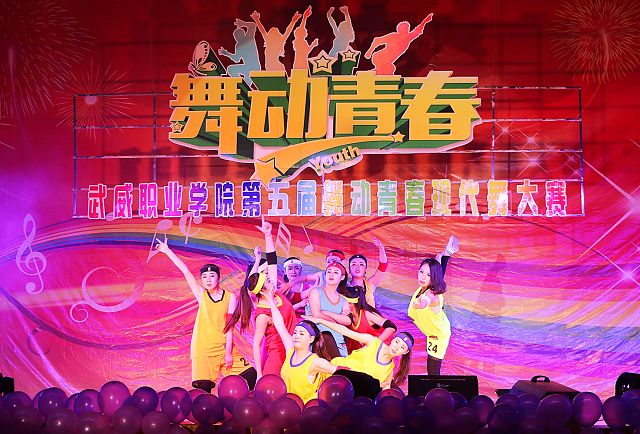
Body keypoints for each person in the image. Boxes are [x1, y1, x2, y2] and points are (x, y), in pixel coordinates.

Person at [155, 238, 250, 389]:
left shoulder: (230, 297)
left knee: (250, 377)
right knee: (203, 392)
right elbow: (186, 271)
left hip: (223, 347)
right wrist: (167, 251)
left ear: (218, 277)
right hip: (203, 350)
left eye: (212, 276)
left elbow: (229, 327)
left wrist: (228, 353)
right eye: (204, 277)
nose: (208, 279)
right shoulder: (202, 295)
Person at [225, 217, 297, 379]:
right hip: (278, 354)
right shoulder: (262, 313)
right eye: (268, 280)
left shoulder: (274, 293)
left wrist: (268, 236)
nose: (273, 279)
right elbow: (256, 345)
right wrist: (259, 374)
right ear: (263, 288)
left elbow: (272, 261)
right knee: (272, 388)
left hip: (296, 349)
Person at [263, 290, 337, 402]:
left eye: (302, 334)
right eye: (295, 333)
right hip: (287, 406)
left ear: (311, 339)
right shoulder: (290, 351)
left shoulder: (315, 361)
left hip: (305, 409)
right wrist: (271, 301)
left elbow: (340, 372)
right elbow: (280, 325)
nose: (297, 336)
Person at [304, 315, 413, 389]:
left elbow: (384, 390)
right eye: (397, 342)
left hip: (348, 390)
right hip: (333, 373)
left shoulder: (389, 371)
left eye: (402, 347)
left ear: (404, 352)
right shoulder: (373, 342)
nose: (397, 347)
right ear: (392, 340)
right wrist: (321, 320)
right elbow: (345, 331)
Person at [408, 235, 458, 375]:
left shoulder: (432, 294)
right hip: (432, 330)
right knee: (438, 275)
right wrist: (442, 255)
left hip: (438, 336)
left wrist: (422, 304)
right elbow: (437, 271)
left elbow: (427, 299)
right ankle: (447, 253)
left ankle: (437, 393)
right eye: (421, 272)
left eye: (428, 275)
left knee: (433, 371)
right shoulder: (427, 285)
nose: (423, 277)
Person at [305, 262, 352, 358]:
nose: (331, 274)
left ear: (342, 277)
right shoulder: (316, 292)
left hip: (337, 339)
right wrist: (336, 322)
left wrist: (327, 313)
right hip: (318, 338)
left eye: (336, 272)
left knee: (341, 365)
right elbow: (316, 314)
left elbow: (347, 321)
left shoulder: (343, 300)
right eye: (329, 272)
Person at [364, 14, 434, 74]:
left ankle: (370, 74)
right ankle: (368, 75)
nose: (406, 30)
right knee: (388, 69)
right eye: (404, 29)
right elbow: (377, 40)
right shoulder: (393, 36)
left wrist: (425, 21)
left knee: (390, 69)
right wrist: (369, 52)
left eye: (407, 29)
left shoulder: (407, 38)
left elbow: (417, 30)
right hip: (379, 57)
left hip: (387, 61)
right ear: (399, 30)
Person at [342, 285, 397, 354]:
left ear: (350, 303)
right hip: (361, 352)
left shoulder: (368, 314)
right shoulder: (349, 316)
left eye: (341, 301)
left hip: (378, 352)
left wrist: (374, 343)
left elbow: (392, 327)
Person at [218, 19, 262, 87]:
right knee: (231, 69)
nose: (236, 38)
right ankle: (242, 85)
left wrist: (243, 23)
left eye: (237, 35)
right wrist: (226, 53)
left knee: (245, 83)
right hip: (247, 68)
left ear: (243, 34)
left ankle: (243, 86)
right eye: (235, 36)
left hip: (254, 67)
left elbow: (253, 25)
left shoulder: (248, 38)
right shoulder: (238, 45)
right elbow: (236, 59)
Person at [347, 238, 388, 307]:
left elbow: (383, 266)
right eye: (353, 264)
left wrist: (381, 248)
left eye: (361, 264)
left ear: (365, 269)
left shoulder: (370, 284)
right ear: (349, 269)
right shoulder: (344, 287)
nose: (357, 267)